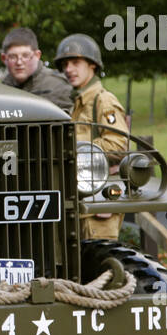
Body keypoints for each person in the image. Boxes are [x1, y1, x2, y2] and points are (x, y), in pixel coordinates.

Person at [54, 33, 128, 241]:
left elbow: (117, 145)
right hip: (81, 196)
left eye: (76, 62)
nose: (69, 69)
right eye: (65, 64)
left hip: (99, 198)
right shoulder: (78, 103)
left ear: (92, 65)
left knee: (102, 262)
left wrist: (74, 148)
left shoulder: (102, 100)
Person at [0, 27, 72, 113]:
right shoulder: (0, 90)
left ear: (37, 55)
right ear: (4, 58)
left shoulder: (58, 86)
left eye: (25, 56)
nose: (19, 62)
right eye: (13, 57)